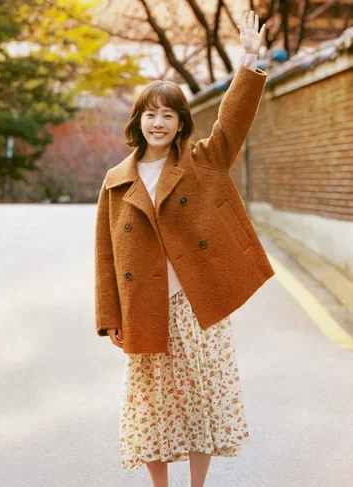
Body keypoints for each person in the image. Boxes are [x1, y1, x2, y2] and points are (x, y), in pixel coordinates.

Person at [94, 11, 273, 487]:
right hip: (144, 306)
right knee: (151, 407)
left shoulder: (201, 160)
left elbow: (231, 123)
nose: (158, 122)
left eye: (168, 115)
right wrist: (110, 315)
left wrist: (248, 60)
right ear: (138, 121)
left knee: (201, 401)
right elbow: (106, 256)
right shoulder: (116, 181)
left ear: (180, 124)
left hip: (196, 304)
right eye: (150, 114)